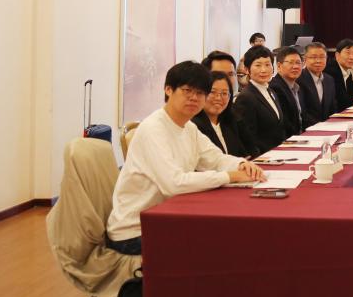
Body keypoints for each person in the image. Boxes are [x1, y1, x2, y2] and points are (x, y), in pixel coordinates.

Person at [106, 61, 264, 254]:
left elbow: (215, 159)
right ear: (168, 90)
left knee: (233, 233)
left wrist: (241, 164)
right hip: (135, 230)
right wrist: (229, 176)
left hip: (168, 216)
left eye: (200, 93)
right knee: (222, 242)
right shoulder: (153, 129)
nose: (194, 98)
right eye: (187, 90)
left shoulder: (189, 127)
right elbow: (174, 183)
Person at [233, 45, 290, 156]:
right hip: (263, 158)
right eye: (258, 65)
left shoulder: (271, 91)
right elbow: (248, 137)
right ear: (247, 69)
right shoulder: (246, 97)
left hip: (278, 155)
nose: (263, 70)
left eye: (267, 65)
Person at [192, 71, 248, 157]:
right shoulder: (194, 126)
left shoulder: (230, 122)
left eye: (224, 93)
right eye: (212, 92)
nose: (218, 98)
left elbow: (243, 154)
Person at [297, 41, 337, 126]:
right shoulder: (298, 79)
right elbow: (302, 112)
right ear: (305, 59)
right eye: (313, 57)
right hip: (307, 129)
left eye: (322, 57)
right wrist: (321, 126)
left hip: (328, 128)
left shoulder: (329, 79)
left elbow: (333, 108)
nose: (318, 61)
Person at [270, 46, 306, 138]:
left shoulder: (297, 87)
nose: (295, 66)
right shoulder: (275, 88)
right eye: (291, 63)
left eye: (298, 63)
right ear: (279, 66)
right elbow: (284, 123)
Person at [324, 39, 353, 110]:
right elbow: (343, 102)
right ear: (337, 55)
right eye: (348, 53)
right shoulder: (331, 71)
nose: (351, 57)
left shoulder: (347, 71)